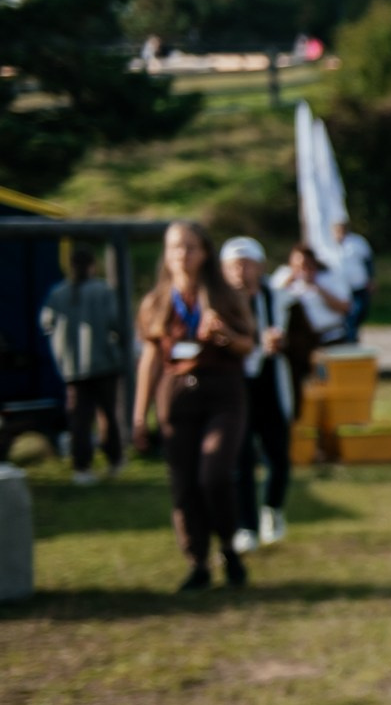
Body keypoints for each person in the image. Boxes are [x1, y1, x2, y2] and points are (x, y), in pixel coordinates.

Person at [133, 221, 255, 591]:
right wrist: (138, 415)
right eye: (175, 247)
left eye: (190, 247)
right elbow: (150, 360)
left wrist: (225, 335)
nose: (182, 255)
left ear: (204, 253)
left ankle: (229, 547)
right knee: (184, 484)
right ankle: (197, 561)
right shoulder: (156, 302)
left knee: (214, 474)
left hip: (222, 393)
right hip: (176, 397)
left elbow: (247, 346)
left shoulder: (225, 296)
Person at [219, 238, 293, 550]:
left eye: (247, 264)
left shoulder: (277, 296)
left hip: (270, 384)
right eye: (234, 265)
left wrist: (282, 342)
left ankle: (272, 510)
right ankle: (245, 525)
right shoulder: (218, 302)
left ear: (260, 267)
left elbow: (301, 335)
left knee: (278, 455)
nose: (241, 271)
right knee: (241, 457)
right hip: (235, 386)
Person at [38, 245, 126, 484]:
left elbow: (46, 323)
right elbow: (117, 321)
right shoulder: (102, 290)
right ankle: (115, 460)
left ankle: (81, 467)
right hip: (104, 363)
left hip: (72, 367)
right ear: (92, 266)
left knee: (79, 419)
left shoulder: (58, 293)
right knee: (108, 414)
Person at [330, 219, 374, 341]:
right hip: (340, 288)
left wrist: (371, 279)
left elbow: (368, 261)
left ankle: (351, 335)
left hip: (358, 285)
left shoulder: (357, 242)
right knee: (351, 314)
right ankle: (351, 338)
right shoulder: (328, 245)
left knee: (361, 312)